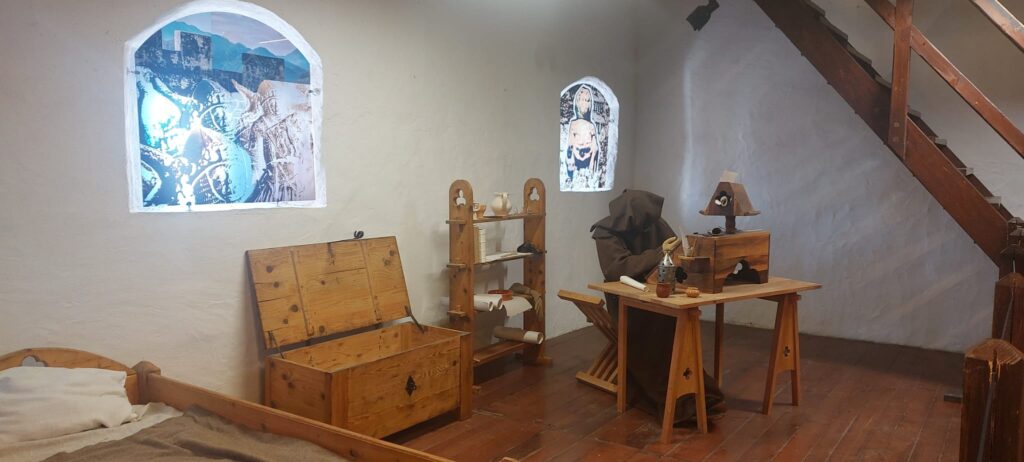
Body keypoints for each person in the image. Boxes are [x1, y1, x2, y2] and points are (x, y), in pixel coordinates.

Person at [591, 189, 725, 424]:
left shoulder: (654, 223)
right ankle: (670, 398)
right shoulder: (606, 232)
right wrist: (658, 253)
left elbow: (674, 249)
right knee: (650, 334)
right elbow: (616, 269)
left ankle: (695, 391)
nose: (646, 228)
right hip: (625, 299)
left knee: (674, 326)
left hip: (655, 292)